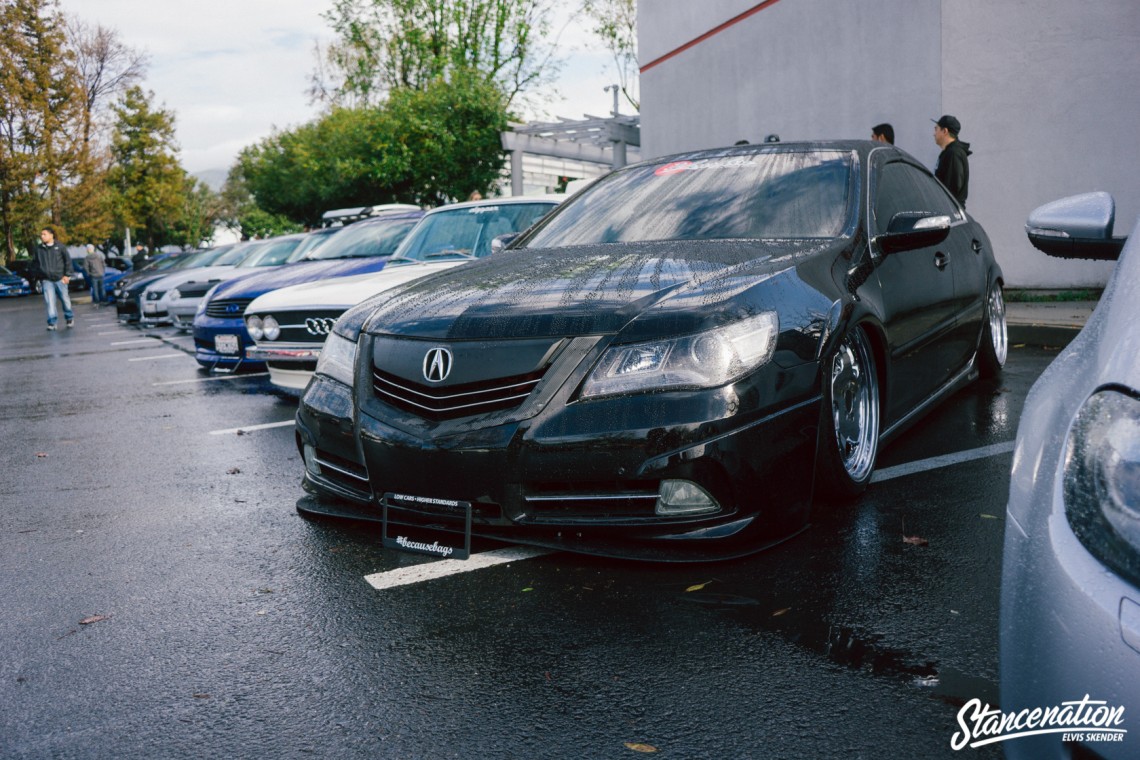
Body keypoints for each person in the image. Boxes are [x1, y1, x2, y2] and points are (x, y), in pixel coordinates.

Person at [33, 226, 74, 330]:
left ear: (51, 235)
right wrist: (38, 277)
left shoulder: (60, 247)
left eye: (44, 234)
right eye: (41, 235)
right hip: (47, 280)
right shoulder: (39, 249)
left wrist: (67, 275)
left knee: (65, 300)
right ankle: (52, 323)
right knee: (50, 302)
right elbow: (35, 264)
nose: (42, 236)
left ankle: (69, 318)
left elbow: (68, 261)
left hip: (60, 279)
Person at [932, 114, 971, 207]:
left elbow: (952, 189)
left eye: (936, 129)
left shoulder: (954, 154)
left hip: (951, 214)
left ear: (945, 131)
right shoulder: (949, 152)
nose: (934, 133)